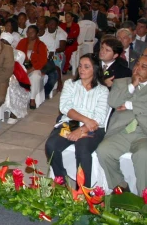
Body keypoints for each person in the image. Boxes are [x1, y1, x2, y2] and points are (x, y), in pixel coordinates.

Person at [96, 54, 147, 193]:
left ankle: (144, 196)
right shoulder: (121, 82)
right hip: (120, 131)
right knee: (103, 150)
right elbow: (113, 102)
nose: (137, 68)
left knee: (145, 155)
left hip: (144, 132)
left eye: (144, 66)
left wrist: (129, 104)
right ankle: (120, 186)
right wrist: (132, 85)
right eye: (137, 64)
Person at [45, 54, 109, 187]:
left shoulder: (102, 90)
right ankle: (60, 180)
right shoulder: (70, 84)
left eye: (86, 67)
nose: (81, 69)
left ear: (95, 69)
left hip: (94, 128)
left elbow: (99, 118)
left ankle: (83, 190)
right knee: (51, 145)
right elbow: (65, 108)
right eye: (80, 66)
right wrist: (84, 120)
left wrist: (81, 130)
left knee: (83, 148)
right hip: (71, 123)